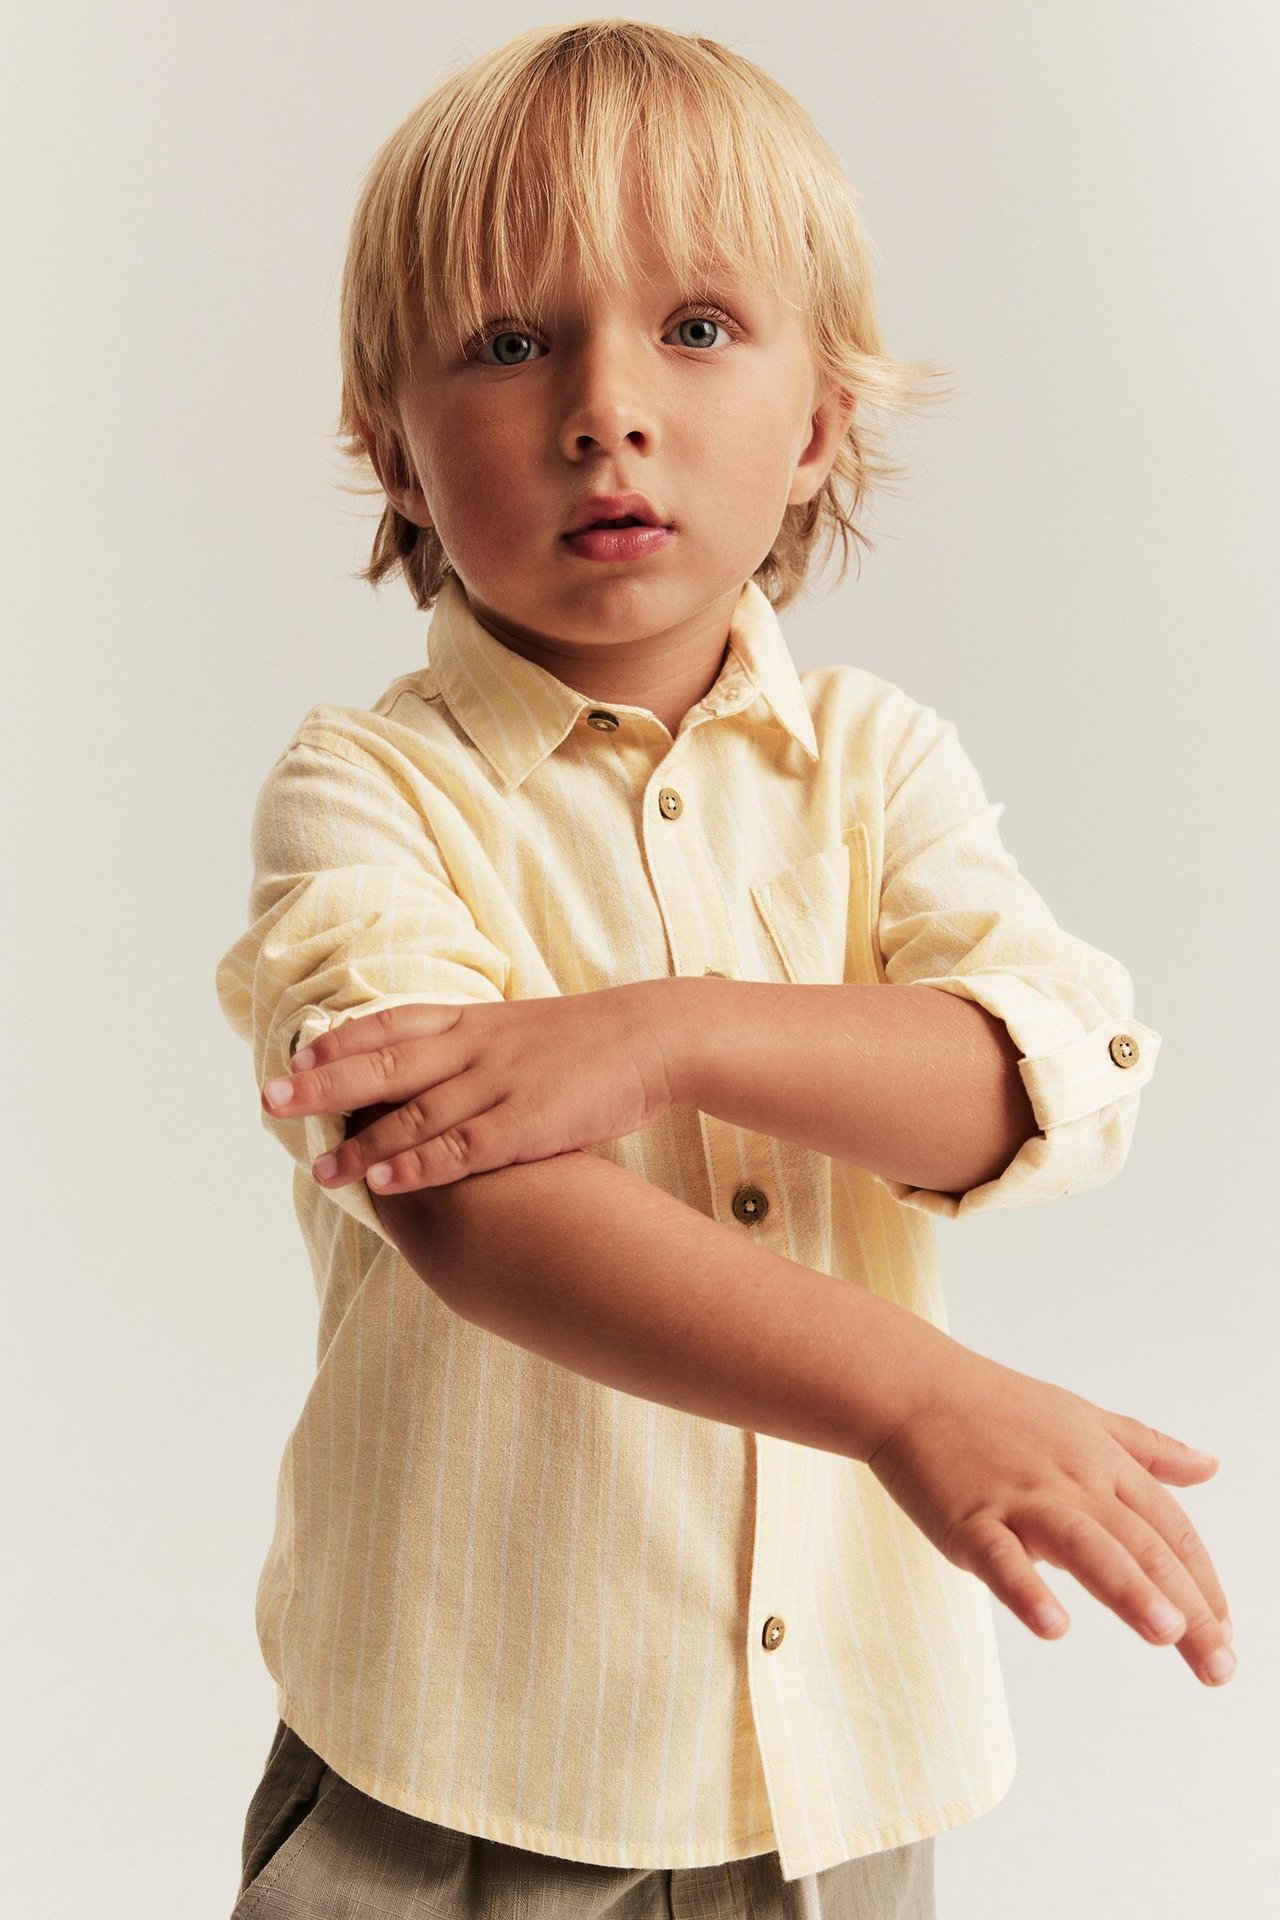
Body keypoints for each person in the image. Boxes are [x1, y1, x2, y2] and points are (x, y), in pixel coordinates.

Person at [214, 20, 1234, 1918]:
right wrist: (912, 1396)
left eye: (696, 328)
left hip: (833, 1787)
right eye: (512, 344)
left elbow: (1037, 1068)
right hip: (466, 1771)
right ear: (394, 447)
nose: (608, 406)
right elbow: (466, 1203)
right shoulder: (364, 787)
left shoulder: (881, 764)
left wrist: (668, 1038)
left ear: (824, 421)